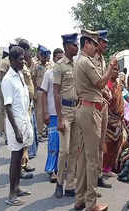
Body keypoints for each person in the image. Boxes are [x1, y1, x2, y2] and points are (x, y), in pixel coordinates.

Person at [73, 29, 118, 211]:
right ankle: (91, 203)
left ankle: (80, 198)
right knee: (91, 159)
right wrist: (110, 69)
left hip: (85, 109)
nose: (97, 46)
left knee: (83, 157)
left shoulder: (81, 61)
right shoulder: (85, 61)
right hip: (90, 111)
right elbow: (100, 83)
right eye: (94, 43)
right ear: (87, 44)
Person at [1, 46, 33, 206]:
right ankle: (11, 195)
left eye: (23, 58)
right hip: (16, 125)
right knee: (15, 159)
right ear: (12, 60)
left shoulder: (19, 75)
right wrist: (16, 130)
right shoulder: (7, 80)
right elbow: (7, 107)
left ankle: (18, 187)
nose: (23, 61)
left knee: (20, 156)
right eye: (20, 59)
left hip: (24, 121)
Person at [53, 33, 79, 198]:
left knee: (74, 150)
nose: (77, 47)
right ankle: (59, 182)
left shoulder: (76, 65)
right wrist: (60, 117)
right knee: (64, 151)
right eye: (74, 45)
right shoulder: (59, 66)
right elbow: (56, 93)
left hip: (77, 111)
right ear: (67, 46)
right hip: (65, 111)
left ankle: (70, 185)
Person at [94, 29, 117, 186]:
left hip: (103, 105)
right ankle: (92, 178)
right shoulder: (93, 60)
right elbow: (98, 82)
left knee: (101, 142)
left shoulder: (102, 60)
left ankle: (98, 175)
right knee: (94, 143)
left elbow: (105, 83)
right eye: (103, 42)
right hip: (94, 105)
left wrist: (107, 91)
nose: (105, 45)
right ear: (97, 43)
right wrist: (105, 90)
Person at [41, 48, 62, 183]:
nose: (60, 60)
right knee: (53, 143)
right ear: (54, 58)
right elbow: (43, 93)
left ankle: (60, 169)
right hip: (52, 114)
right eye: (58, 57)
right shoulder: (48, 74)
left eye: (62, 57)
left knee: (63, 144)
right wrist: (45, 112)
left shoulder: (65, 73)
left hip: (63, 113)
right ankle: (51, 170)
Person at [18, 39, 36, 178]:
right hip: (22, 107)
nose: (30, 52)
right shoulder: (18, 67)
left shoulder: (25, 65)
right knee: (23, 138)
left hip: (28, 105)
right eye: (28, 50)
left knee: (27, 138)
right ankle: (20, 168)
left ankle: (25, 163)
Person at [32, 44, 54, 141]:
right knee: (40, 113)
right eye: (43, 55)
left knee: (49, 111)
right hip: (40, 91)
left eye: (46, 56)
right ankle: (39, 133)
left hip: (49, 92)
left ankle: (47, 131)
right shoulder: (36, 66)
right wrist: (34, 93)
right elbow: (33, 79)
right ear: (40, 55)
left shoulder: (51, 65)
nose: (45, 58)